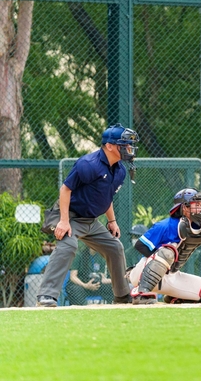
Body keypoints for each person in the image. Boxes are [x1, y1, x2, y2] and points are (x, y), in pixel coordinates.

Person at [37, 123, 139, 307]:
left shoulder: (120, 170)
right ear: (109, 146)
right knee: (68, 245)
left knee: (115, 247)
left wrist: (112, 221)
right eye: (124, 145)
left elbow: (106, 197)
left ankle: (122, 296)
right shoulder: (88, 164)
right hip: (69, 215)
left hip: (90, 221)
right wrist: (64, 221)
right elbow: (65, 190)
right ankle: (46, 296)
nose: (129, 149)